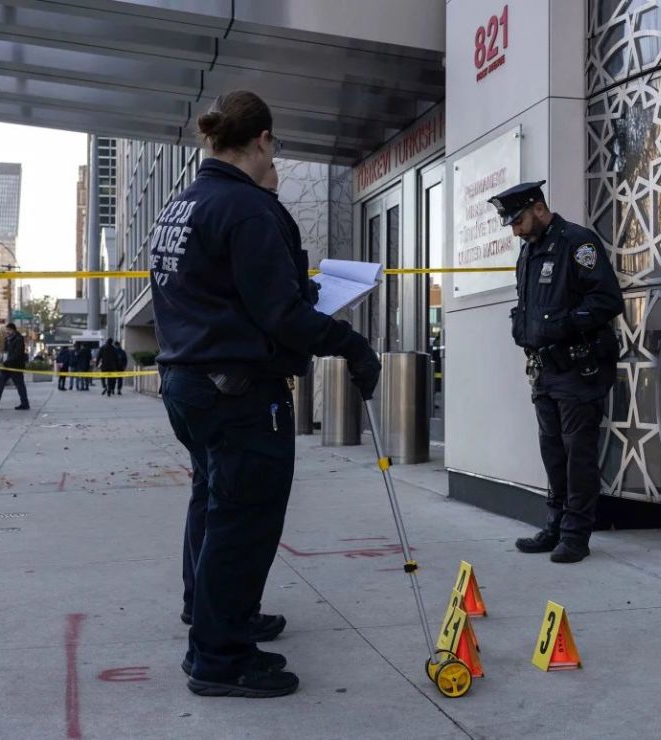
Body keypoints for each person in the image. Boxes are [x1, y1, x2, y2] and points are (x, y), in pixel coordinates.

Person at [153, 89, 380, 698]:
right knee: (243, 520)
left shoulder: (185, 205)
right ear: (262, 140)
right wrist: (353, 346)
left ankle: (212, 619)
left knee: (214, 504)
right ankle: (220, 657)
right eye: (273, 144)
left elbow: (229, 293)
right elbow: (280, 313)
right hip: (237, 391)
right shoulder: (246, 209)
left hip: (190, 382)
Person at [489, 180, 623, 564]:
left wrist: (562, 323)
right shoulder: (529, 252)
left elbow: (607, 300)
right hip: (545, 370)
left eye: (517, 219)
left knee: (577, 453)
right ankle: (556, 524)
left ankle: (576, 534)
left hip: (579, 368)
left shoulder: (577, 243)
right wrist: (523, 326)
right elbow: (527, 304)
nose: (513, 228)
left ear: (539, 208)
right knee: (553, 452)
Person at [0, 322, 30, 410]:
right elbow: (6, 352)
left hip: (15, 366)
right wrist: (3, 359)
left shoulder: (18, 339)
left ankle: (25, 403)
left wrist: (8, 361)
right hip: (7, 366)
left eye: (9, 330)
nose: (7, 332)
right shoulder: (8, 339)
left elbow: (17, 354)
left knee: (20, 385)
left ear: (13, 330)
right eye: (7, 330)